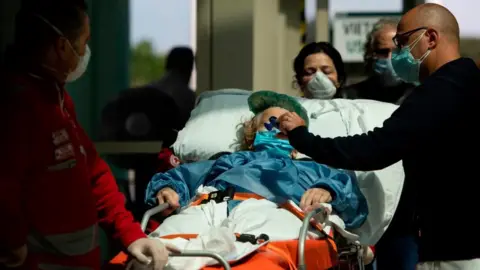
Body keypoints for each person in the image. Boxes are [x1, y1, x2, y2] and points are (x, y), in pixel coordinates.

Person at [278, 3, 480, 269]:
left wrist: (304, 138)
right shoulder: (470, 82)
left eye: (403, 42)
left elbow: (375, 149)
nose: (398, 53)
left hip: (453, 250)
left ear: (430, 38)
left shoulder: (439, 93)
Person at [0, 1, 172, 269]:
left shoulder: (57, 100)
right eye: (83, 42)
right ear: (61, 46)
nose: (85, 52)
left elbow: (94, 173)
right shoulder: (17, 106)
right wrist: (12, 243)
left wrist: (131, 234)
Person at [342, 18, 415, 105]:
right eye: (382, 52)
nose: (390, 58)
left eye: (398, 51)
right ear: (369, 55)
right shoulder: (349, 98)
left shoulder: (421, 98)